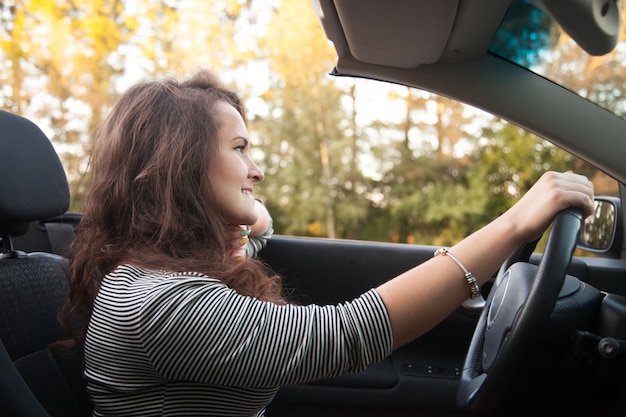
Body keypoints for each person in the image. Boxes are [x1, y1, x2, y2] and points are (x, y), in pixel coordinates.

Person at [60, 69, 594, 417]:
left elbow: (260, 235)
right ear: (182, 166)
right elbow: (340, 336)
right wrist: (513, 226)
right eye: (241, 149)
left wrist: (242, 219)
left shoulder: (173, 271)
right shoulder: (157, 302)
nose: (257, 169)